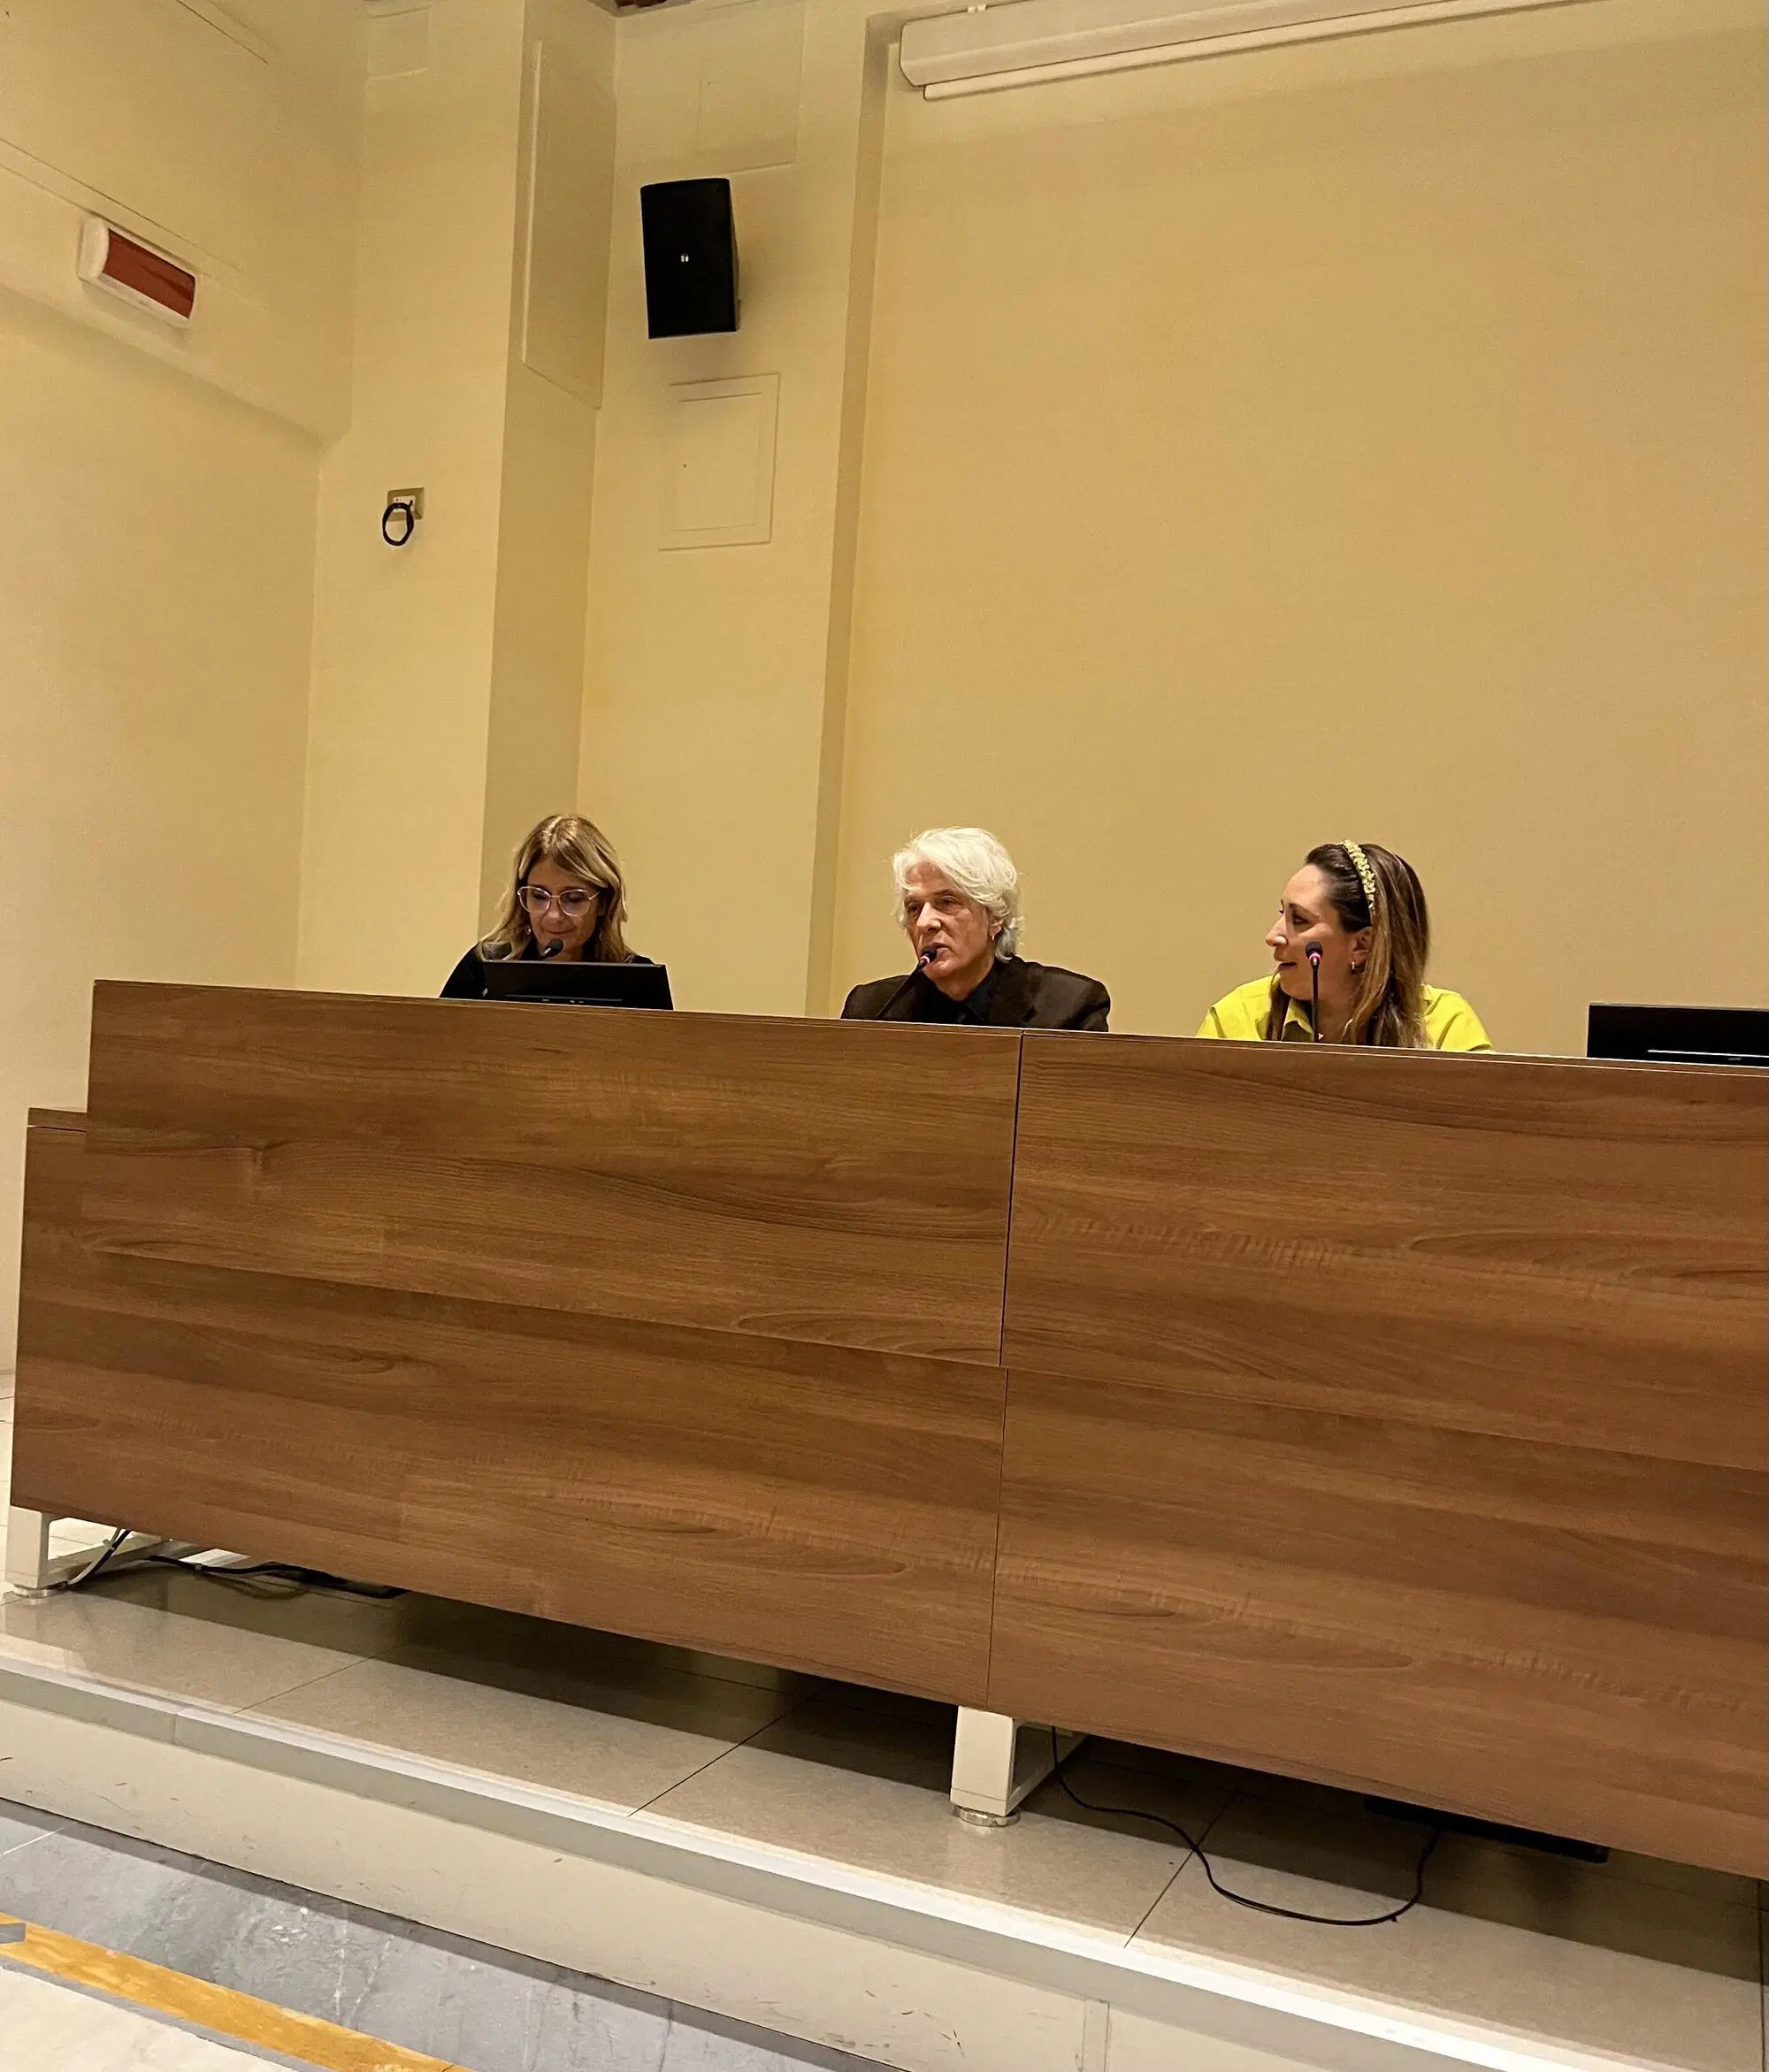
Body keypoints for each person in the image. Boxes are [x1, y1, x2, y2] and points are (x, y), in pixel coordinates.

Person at [1198, 840, 1490, 1050]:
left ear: (1362, 945)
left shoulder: (1444, 1023)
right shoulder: (1238, 1017)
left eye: (1299, 919)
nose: (1272, 936)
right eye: (1281, 914)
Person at [841, 827, 1110, 1030]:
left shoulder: (1069, 1008)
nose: (925, 922)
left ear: (995, 917)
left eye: (947, 902)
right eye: (914, 909)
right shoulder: (872, 1010)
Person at [440, 814, 650, 998]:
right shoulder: (485, 967)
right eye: (539, 896)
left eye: (574, 899)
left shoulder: (638, 981)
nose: (553, 916)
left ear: (604, 903)